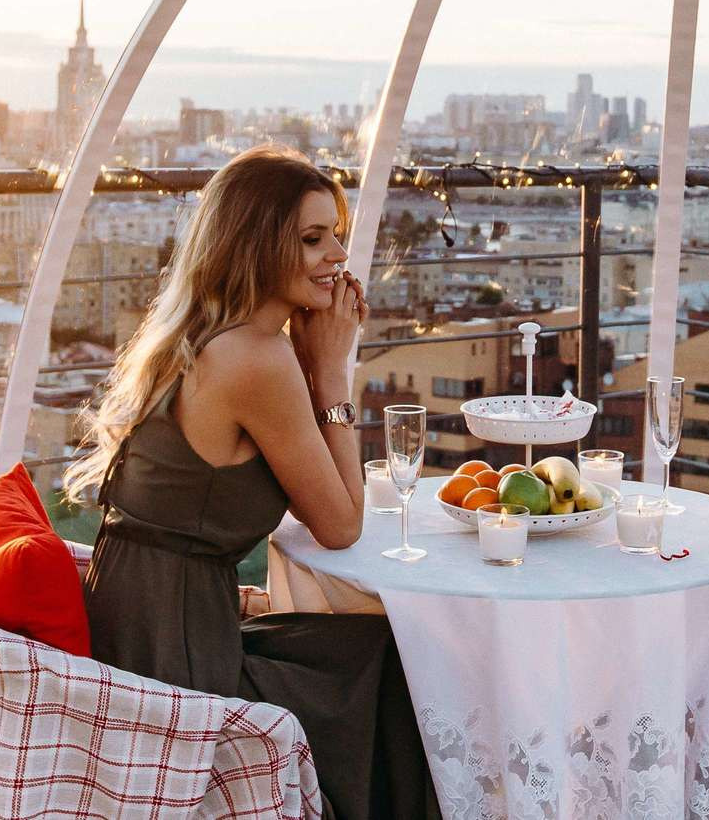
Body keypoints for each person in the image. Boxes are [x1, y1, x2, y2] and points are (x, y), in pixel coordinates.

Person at [67, 145, 435, 819]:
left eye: (338, 237)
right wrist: (332, 374)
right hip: (174, 663)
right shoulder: (255, 359)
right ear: (258, 245)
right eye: (312, 239)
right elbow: (342, 524)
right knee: (389, 669)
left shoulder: (207, 333)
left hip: (148, 623)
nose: (336, 256)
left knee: (361, 652)